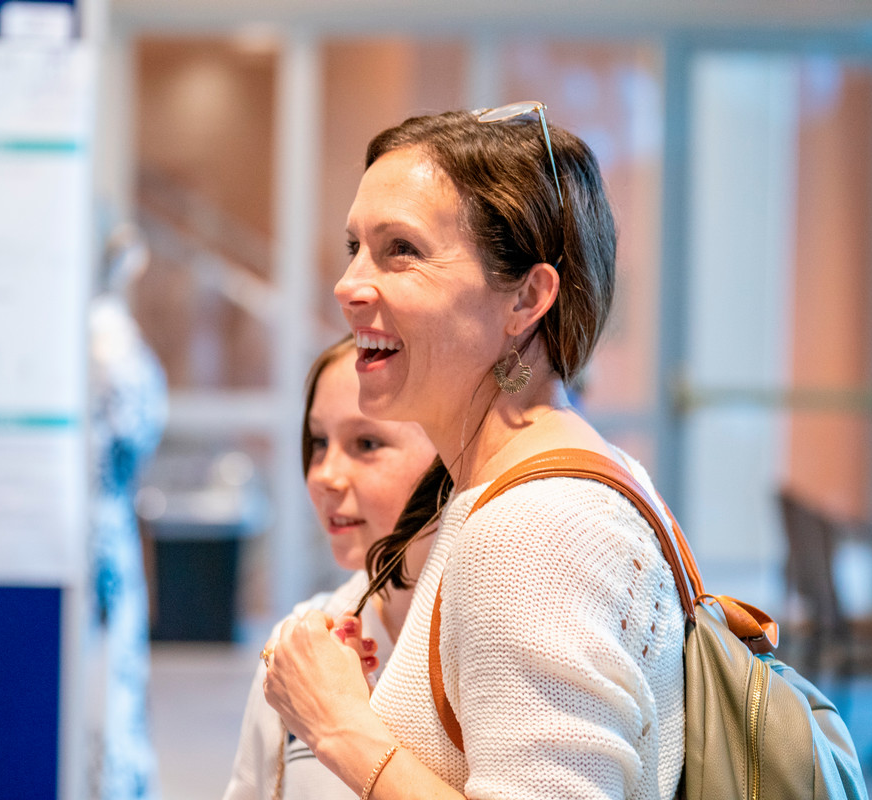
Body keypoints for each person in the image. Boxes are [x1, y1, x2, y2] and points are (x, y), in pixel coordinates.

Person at [260, 104, 686, 800]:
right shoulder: (525, 489)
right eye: (355, 248)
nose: (349, 285)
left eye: (402, 249)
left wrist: (340, 728)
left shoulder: (534, 528)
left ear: (526, 298)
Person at [223, 336, 437, 800]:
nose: (324, 475)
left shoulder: (493, 636)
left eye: (366, 442)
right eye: (319, 442)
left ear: (449, 459)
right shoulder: (299, 640)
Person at [85, 221, 167, 800]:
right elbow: (132, 427)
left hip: (105, 524)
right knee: (106, 685)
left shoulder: (103, 333)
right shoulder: (104, 338)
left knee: (115, 681)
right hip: (97, 533)